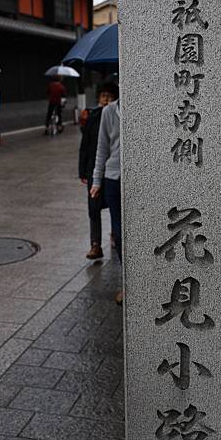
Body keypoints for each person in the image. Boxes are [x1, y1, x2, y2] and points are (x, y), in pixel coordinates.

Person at [90, 85, 123, 302]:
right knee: (119, 232)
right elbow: (102, 148)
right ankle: (128, 282)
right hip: (113, 178)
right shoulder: (109, 111)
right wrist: (96, 180)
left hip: (139, 179)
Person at [79, 83, 118, 260]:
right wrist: (82, 171)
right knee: (93, 209)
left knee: (114, 207)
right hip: (93, 170)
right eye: (103, 96)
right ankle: (95, 244)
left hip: (111, 172)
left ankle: (114, 234)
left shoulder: (115, 115)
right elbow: (85, 145)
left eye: (109, 96)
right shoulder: (94, 116)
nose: (106, 99)